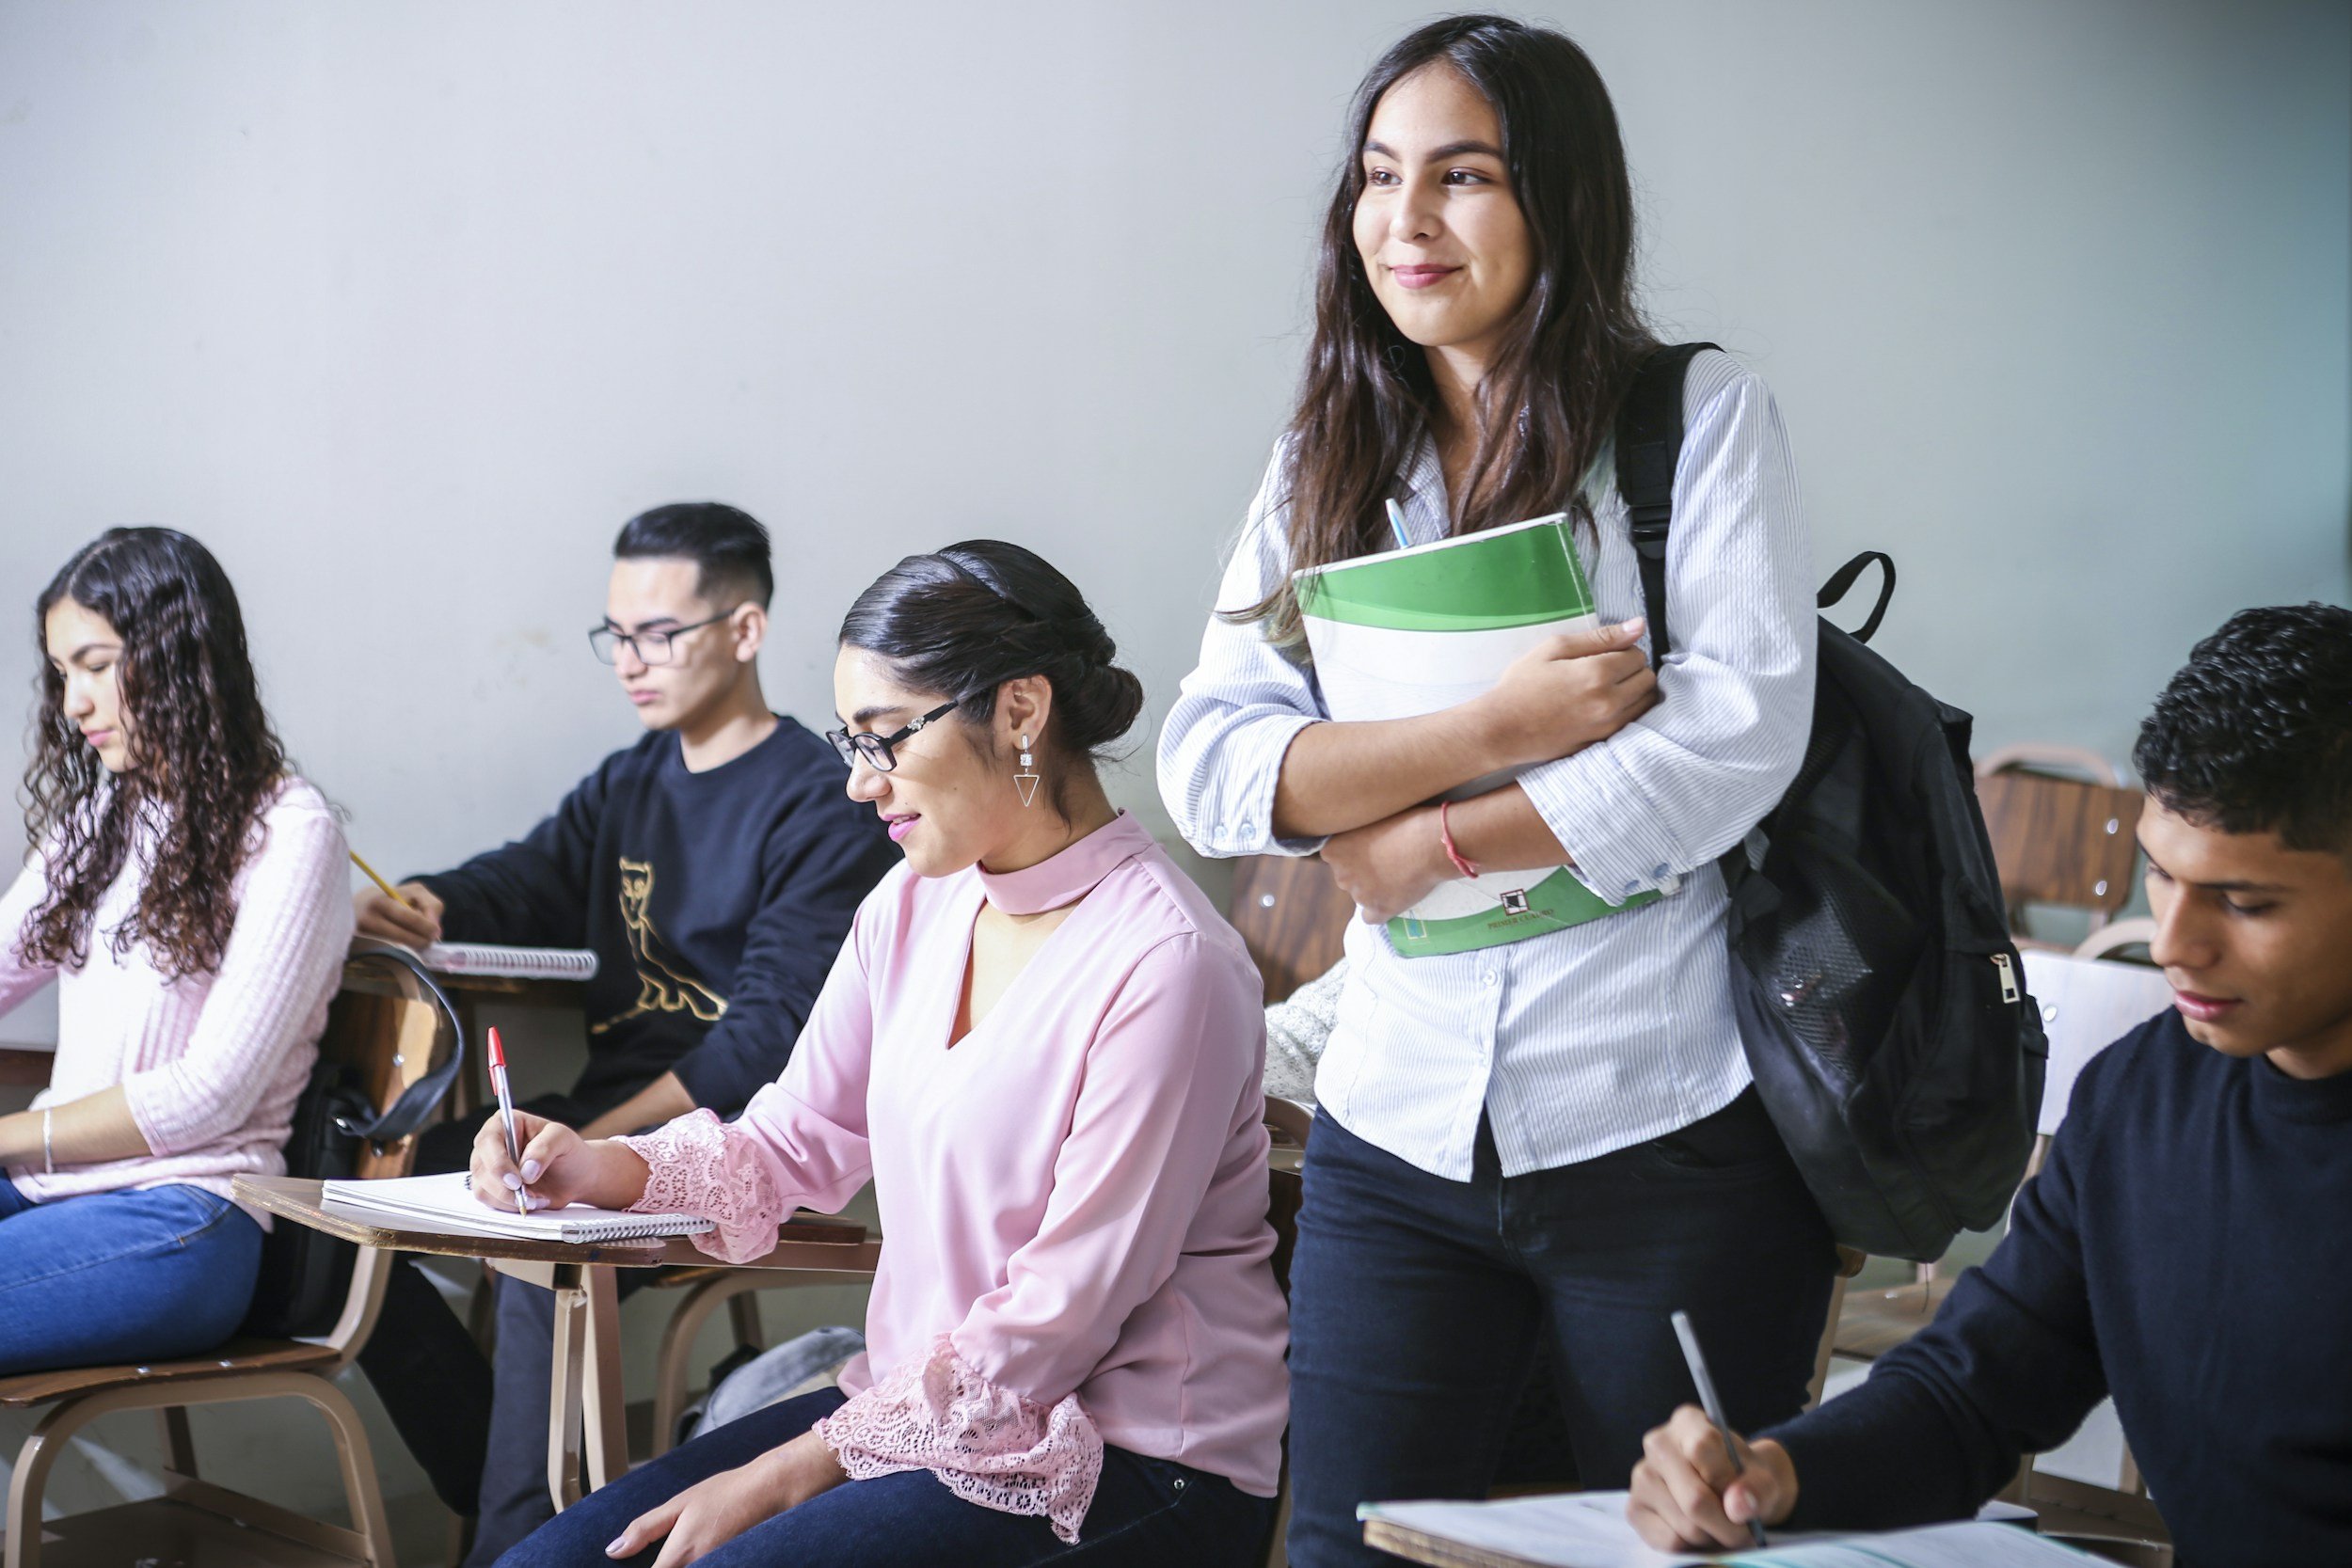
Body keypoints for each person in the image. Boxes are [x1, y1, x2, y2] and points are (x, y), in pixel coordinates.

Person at [1157, 16, 1835, 1563]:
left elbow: (1734, 739)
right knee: (1344, 1549)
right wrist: (1496, 729)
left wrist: (1425, 842)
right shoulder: (1326, 451)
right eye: (1381, 178)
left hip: (1662, 1120)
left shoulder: (1694, 421)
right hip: (1396, 1127)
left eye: (1462, 176)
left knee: (1672, 1546)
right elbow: (1213, 761)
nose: (1406, 221)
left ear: (1558, 201)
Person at [491, 541, 1288, 1568]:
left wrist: (787, 1468)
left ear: (1018, 709)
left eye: (884, 739)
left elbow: (1057, 1317)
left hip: (1133, 1458)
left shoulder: (1169, 962)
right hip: (918, 1413)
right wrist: (592, 1164)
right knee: (543, 1564)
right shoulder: (912, 902)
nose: (861, 785)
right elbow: (791, 1140)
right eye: (849, 742)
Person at [1628, 603, 2352, 1568]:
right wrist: (1775, 1472)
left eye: (2246, 901)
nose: (2174, 943)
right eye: (2161, 878)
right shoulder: (2141, 1101)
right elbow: (1973, 1387)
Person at [351, 503, 898, 1559]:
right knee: (361, 1186)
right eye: (617, 635)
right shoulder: (630, 780)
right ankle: (488, 1475)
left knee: (535, 1260)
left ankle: (502, 1542)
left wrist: (597, 1146)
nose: (631, 663)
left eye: (660, 633)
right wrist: (432, 902)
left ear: (744, 630)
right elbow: (528, 877)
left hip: (734, 1142)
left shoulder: (817, 800)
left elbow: (763, 1046)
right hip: (604, 1121)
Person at [0, 528, 352, 1372]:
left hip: (182, 1217)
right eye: (61, 674)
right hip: (50, 1193)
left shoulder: (291, 831)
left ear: (177, 651)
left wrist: (6, 1135)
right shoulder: (97, 823)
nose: (74, 702)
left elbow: (207, 1096)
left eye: (95, 664)